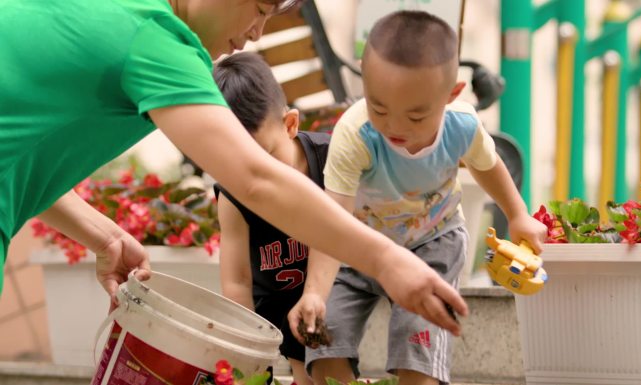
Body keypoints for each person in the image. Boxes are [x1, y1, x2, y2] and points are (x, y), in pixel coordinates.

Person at [0, 0, 464, 334]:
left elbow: (17, 152)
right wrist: (387, 259)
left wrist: (105, 236)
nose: (257, 32)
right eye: (261, 8)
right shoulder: (154, 36)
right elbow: (255, 179)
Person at [287, 10, 547, 385]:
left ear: (451, 94)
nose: (394, 126)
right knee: (326, 341)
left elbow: (488, 165)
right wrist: (314, 293)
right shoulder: (356, 133)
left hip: (432, 243)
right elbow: (333, 220)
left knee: (419, 347)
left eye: (415, 116)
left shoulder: (461, 125)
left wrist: (518, 213)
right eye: (379, 108)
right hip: (358, 247)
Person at [212, 52, 327, 385]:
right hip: (273, 301)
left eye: (265, 155)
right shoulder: (234, 192)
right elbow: (236, 281)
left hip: (325, 289)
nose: (255, 174)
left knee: (315, 372)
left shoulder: (329, 161)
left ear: (290, 125)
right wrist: (247, 348)